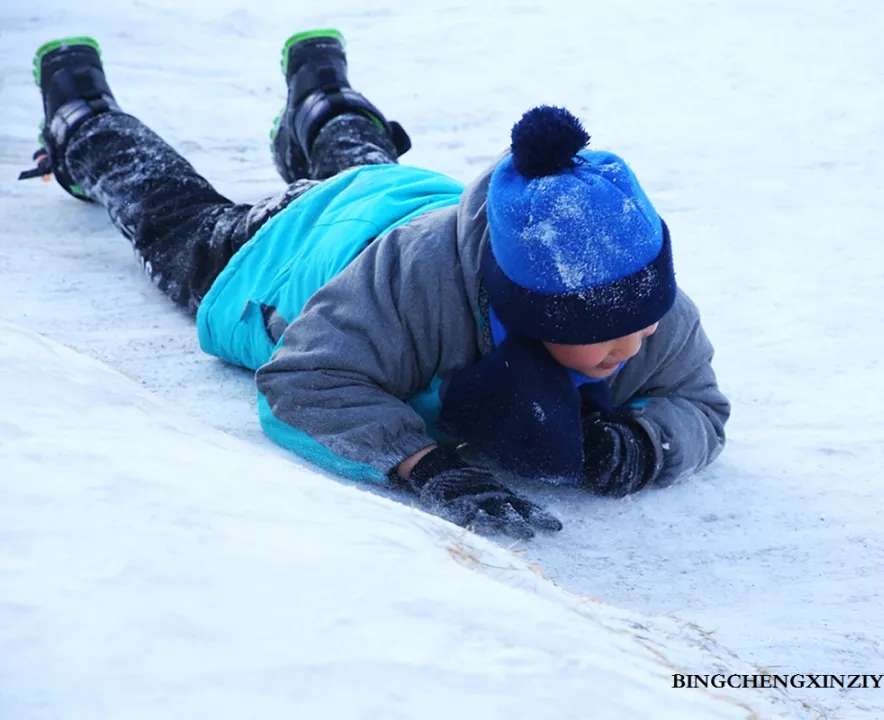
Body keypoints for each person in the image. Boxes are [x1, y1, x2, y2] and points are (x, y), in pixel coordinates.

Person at [20, 31, 732, 540]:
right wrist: (422, 460)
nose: (637, 341)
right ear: (528, 307)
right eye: (603, 332)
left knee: (363, 163)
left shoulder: (647, 308)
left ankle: (322, 93)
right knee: (178, 220)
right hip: (296, 244)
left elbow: (700, 403)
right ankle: (86, 121)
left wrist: (645, 440)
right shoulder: (413, 300)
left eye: (647, 316)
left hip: (403, 197)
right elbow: (305, 380)